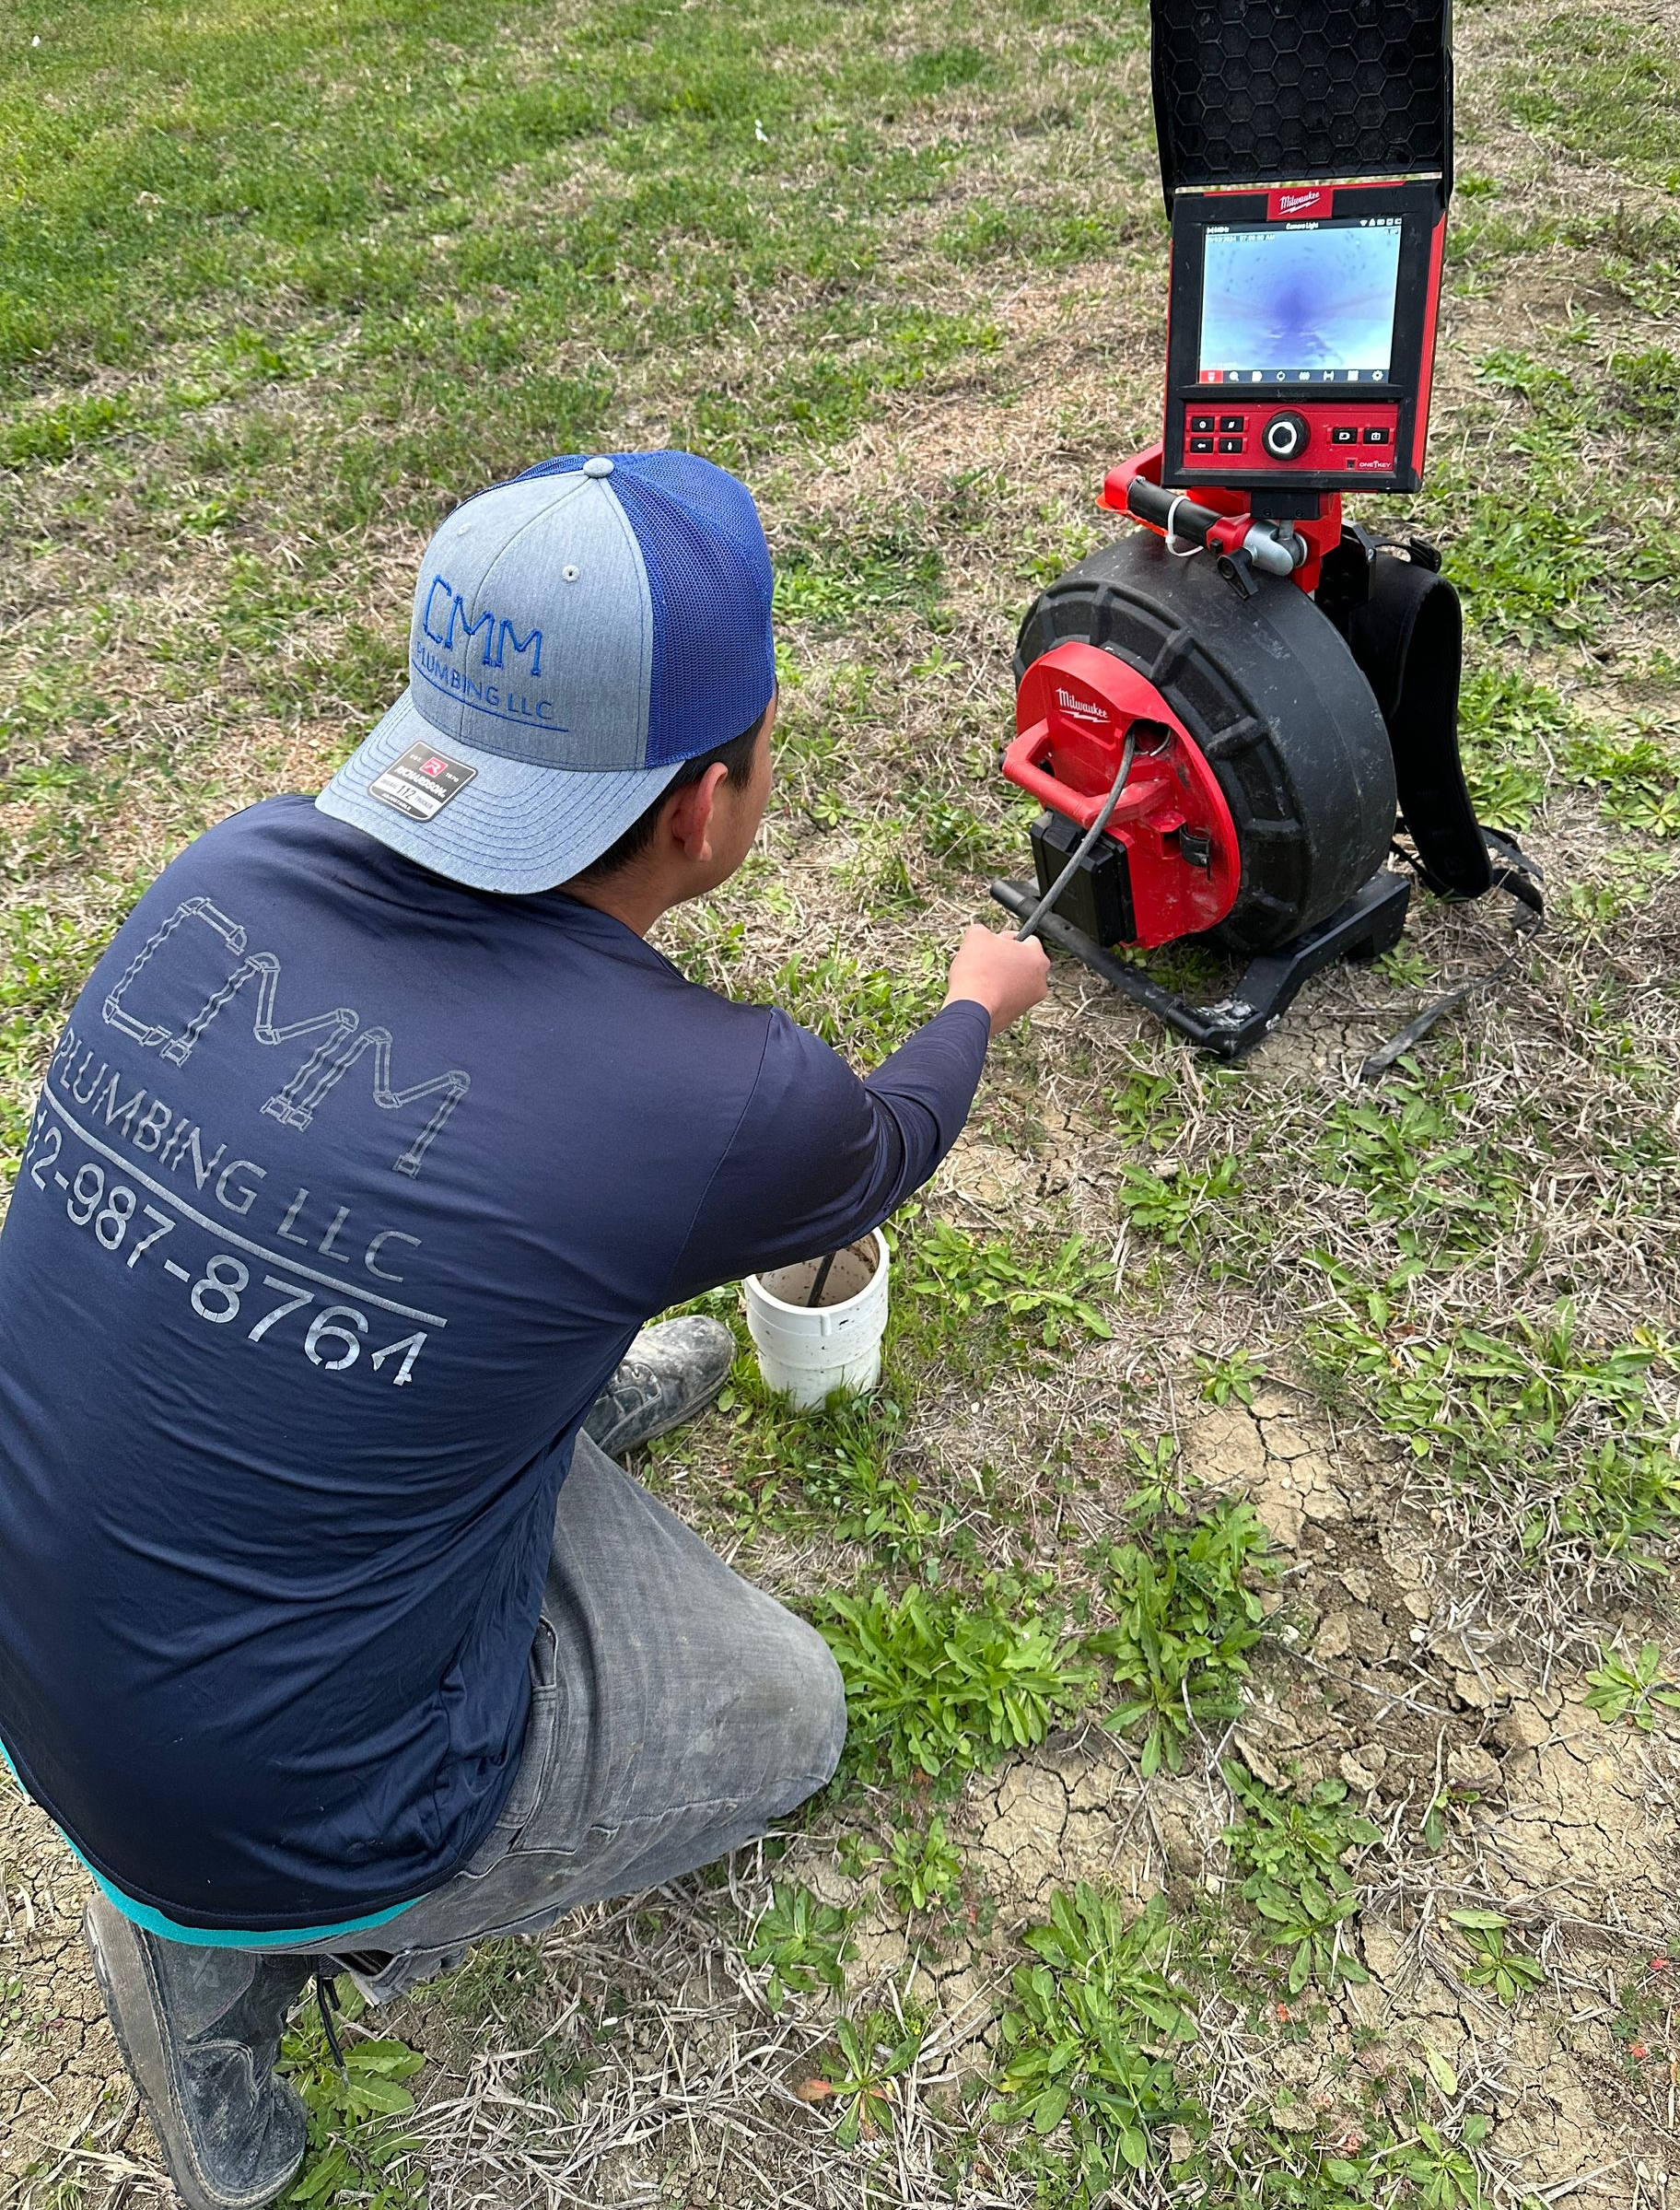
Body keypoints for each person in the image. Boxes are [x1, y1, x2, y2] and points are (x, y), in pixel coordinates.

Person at [0, 450, 1048, 2210]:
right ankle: (213, 1962)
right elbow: (892, 1140)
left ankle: (521, 1440)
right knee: (785, 1713)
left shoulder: (227, 868)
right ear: (707, 804)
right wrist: (976, 997)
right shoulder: (710, 1097)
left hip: (41, 1632)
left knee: (417, 1312)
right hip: (259, 1787)